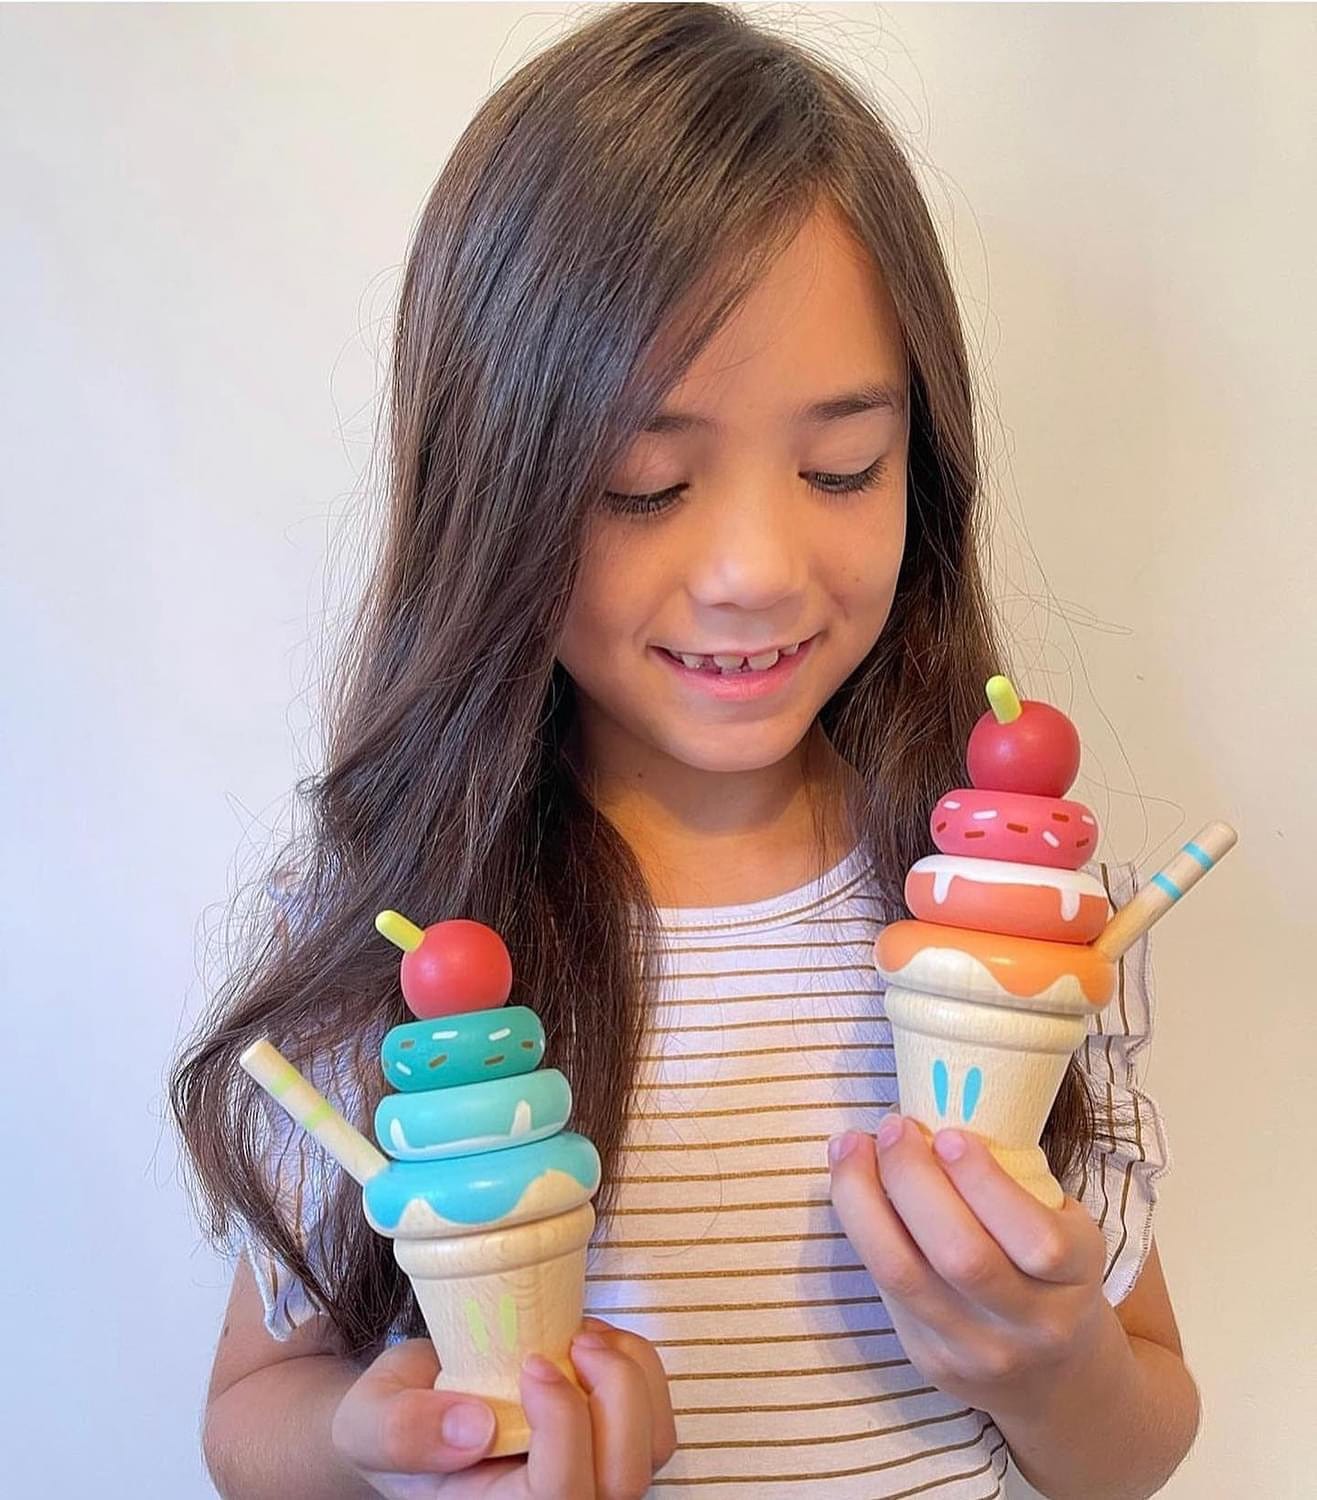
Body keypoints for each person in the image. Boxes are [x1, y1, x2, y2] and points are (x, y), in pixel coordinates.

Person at [170, 5, 1200, 1497]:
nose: (753, 569)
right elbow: (250, 1416)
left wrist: (1057, 1368)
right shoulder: (407, 922)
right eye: (647, 485)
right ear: (494, 489)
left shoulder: (1000, 919)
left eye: (840, 465)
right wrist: (370, 1442)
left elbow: (1134, 1441)